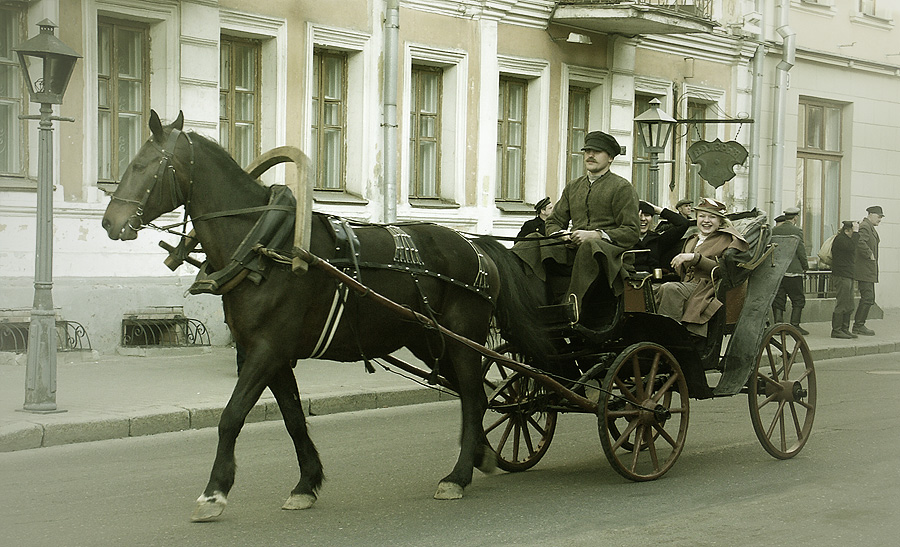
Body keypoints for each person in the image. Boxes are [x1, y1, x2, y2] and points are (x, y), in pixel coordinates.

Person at [514, 131, 640, 319]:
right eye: (587, 151)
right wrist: (561, 234)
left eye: (597, 152)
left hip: (609, 255)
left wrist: (597, 235)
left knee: (590, 246)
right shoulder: (573, 186)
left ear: (610, 158)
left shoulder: (621, 187)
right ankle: (526, 303)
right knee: (531, 242)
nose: (590, 155)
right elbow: (554, 221)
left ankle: (571, 307)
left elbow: (631, 231)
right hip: (574, 251)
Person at [655, 197, 749, 338]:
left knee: (670, 289)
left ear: (720, 221)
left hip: (707, 287)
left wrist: (694, 258)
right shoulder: (693, 239)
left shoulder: (727, 239)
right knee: (650, 290)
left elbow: (724, 270)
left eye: (712, 217)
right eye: (702, 216)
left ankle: (671, 337)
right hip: (688, 284)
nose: (706, 220)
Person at [771, 207, 810, 335]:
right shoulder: (797, 231)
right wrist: (805, 266)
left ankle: (778, 326)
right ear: (795, 218)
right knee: (798, 299)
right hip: (793, 271)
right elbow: (800, 250)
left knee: (778, 298)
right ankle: (795, 325)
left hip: (778, 271)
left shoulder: (774, 231)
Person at [632, 200, 690, 279]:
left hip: (654, 281)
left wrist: (657, 209)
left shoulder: (657, 240)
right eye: (639, 215)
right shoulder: (624, 239)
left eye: (647, 215)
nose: (643, 219)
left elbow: (683, 224)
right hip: (627, 281)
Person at [852, 205, 884, 336]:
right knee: (868, 298)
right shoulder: (865, 226)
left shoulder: (869, 227)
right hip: (864, 270)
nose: (880, 219)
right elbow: (860, 242)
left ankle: (859, 324)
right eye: (878, 216)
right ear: (870, 214)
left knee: (869, 298)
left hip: (868, 270)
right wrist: (869, 253)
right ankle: (858, 325)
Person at [830, 220, 860, 339]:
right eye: (853, 231)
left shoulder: (847, 239)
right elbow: (852, 247)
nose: (855, 233)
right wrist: (856, 233)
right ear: (847, 230)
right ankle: (836, 330)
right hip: (842, 275)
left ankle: (844, 329)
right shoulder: (841, 240)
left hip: (848, 275)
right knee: (842, 303)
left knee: (849, 304)